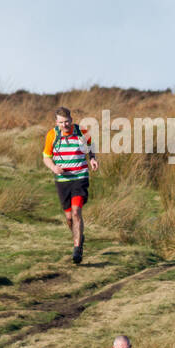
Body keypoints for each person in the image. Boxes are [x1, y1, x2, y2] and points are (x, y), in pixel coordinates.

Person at [41, 107, 98, 265]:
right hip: (62, 180)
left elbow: (91, 147)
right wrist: (53, 168)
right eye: (61, 122)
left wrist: (92, 158)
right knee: (68, 218)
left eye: (67, 122)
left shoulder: (81, 131)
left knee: (76, 212)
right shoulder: (52, 135)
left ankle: (77, 248)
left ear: (71, 120)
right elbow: (46, 157)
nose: (64, 125)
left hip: (80, 177)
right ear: (56, 122)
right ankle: (79, 235)